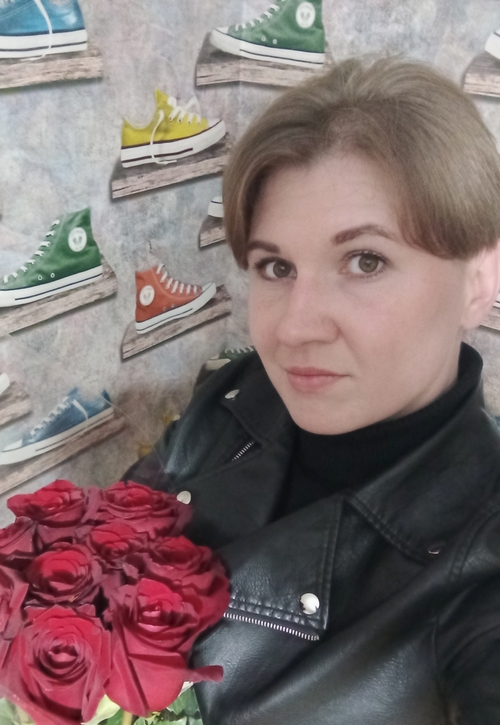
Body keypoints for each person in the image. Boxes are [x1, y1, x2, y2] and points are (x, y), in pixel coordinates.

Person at [125, 57, 500, 724]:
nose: (293, 329)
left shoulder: (483, 573)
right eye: (276, 266)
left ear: (479, 281)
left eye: (365, 261)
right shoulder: (238, 397)